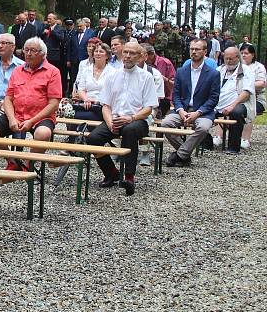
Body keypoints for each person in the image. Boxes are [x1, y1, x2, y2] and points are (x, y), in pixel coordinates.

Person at [86, 42, 158, 196]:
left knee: (130, 131)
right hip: (115, 118)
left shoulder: (146, 77)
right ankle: (111, 172)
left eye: (132, 53)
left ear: (139, 57)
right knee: (93, 138)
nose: (127, 56)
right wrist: (110, 122)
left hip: (138, 120)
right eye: (125, 52)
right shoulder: (112, 75)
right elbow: (105, 105)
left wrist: (131, 118)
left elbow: (148, 108)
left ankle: (129, 177)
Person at [0, 36, 61, 168]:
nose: (28, 54)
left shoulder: (53, 72)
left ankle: (27, 164)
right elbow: (8, 98)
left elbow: (54, 103)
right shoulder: (18, 70)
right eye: (26, 50)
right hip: (18, 114)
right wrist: (12, 119)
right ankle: (13, 161)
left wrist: (31, 121)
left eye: (33, 50)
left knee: (43, 133)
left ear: (43, 54)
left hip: (41, 116)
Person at [161, 39, 220, 167]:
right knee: (165, 123)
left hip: (203, 112)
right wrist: (181, 110)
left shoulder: (214, 74)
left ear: (205, 52)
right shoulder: (181, 71)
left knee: (203, 128)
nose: (193, 52)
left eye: (197, 49)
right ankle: (185, 155)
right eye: (191, 49)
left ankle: (179, 155)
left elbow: (214, 98)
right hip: (183, 110)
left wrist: (198, 113)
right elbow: (176, 95)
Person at [211, 47, 255, 154]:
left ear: (238, 57)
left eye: (231, 59)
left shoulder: (246, 70)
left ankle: (233, 147)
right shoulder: (219, 70)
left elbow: (246, 93)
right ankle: (206, 142)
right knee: (200, 110)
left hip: (239, 103)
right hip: (218, 104)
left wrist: (232, 105)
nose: (228, 61)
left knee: (236, 111)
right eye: (226, 59)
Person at [0, 33, 25, 115]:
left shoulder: (22, 67)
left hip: (14, 107)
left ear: (13, 47)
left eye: (4, 43)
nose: (0, 46)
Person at [73, 42, 114, 122]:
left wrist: (97, 101)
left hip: (103, 105)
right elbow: (81, 89)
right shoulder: (86, 70)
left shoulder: (113, 72)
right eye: (96, 51)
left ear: (107, 56)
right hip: (86, 104)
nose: (98, 53)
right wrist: (86, 99)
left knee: (90, 116)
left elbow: (113, 93)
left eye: (101, 52)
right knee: (77, 116)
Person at [239, 44, 265, 149]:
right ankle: (219, 136)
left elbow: (261, 84)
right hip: (237, 99)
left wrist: (244, 86)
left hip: (257, 100)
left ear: (253, 55)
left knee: (246, 108)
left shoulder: (259, 67)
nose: (243, 55)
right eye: (241, 53)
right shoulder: (237, 66)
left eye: (246, 53)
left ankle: (245, 138)